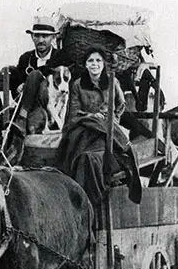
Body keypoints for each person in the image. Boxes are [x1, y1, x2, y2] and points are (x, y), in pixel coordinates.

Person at [55, 46, 142, 207]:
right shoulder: (78, 85)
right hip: (84, 129)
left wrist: (112, 120)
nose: (94, 64)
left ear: (103, 64)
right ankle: (80, 200)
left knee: (91, 158)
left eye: (98, 61)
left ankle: (91, 202)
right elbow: (73, 113)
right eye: (90, 61)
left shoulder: (112, 81)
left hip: (105, 131)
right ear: (86, 65)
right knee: (80, 157)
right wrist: (90, 117)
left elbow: (121, 105)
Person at [0, 17, 71, 165]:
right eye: (37, 36)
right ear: (32, 37)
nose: (40, 40)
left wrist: (30, 80)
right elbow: (17, 83)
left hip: (49, 109)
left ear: (53, 37)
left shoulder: (59, 57)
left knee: (35, 75)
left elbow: (52, 74)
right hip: (28, 106)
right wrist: (17, 79)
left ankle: (22, 120)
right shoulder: (26, 58)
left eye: (45, 36)